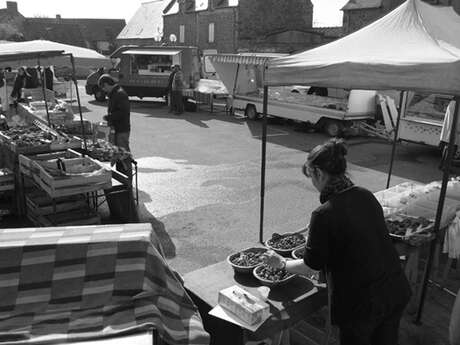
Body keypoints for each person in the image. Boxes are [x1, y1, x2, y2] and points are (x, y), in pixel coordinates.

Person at [263, 138, 412, 345]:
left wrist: (280, 262)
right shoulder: (366, 195)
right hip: (395, 290)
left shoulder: (324, 214)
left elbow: (309, 266)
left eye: (312, 178)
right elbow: (357, 235)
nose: (313, 185)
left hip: (363, 305)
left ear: (319, 173)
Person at [98, 74, 132, 178]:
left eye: (103, 88)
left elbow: (123, 112)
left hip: (122, 129)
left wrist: (109, 117)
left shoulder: (119, 94)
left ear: (107, 84)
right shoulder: (115, 93)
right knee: (118, 152)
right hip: (118, 128)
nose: (104, 91)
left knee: (123, 153)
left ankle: (128, 177)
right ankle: (122, 176)